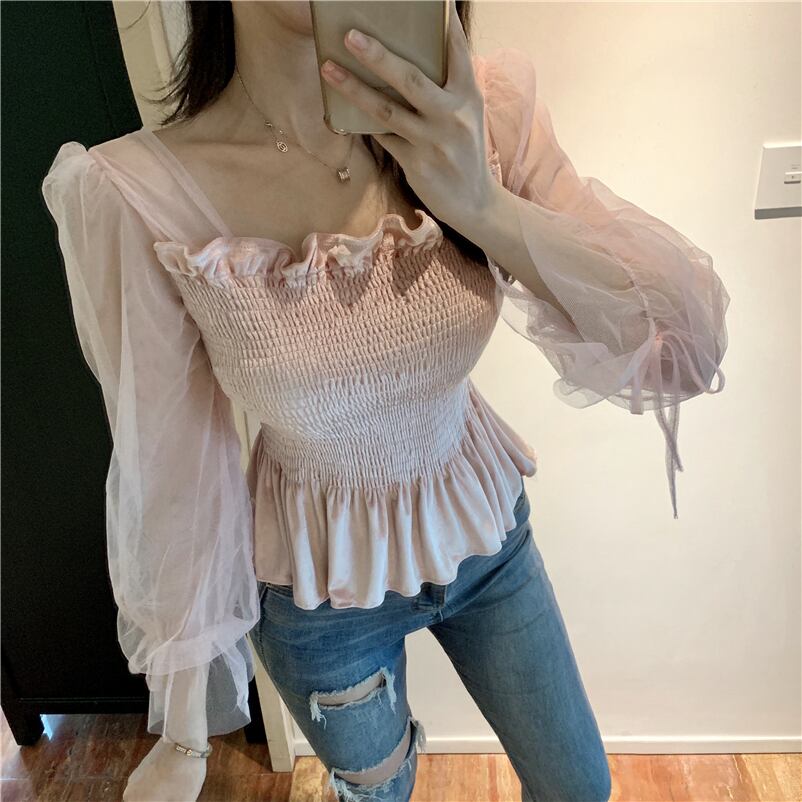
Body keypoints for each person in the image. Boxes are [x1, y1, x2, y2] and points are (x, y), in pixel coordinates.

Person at [40, 1, 729, 800]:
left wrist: (483, 204)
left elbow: (680, 349)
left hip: (486, 538)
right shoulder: (138, 194)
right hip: (318, 595)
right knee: (381, 792)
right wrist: (186, 733)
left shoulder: (480, 116)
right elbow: (173, 468)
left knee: (580, 787)